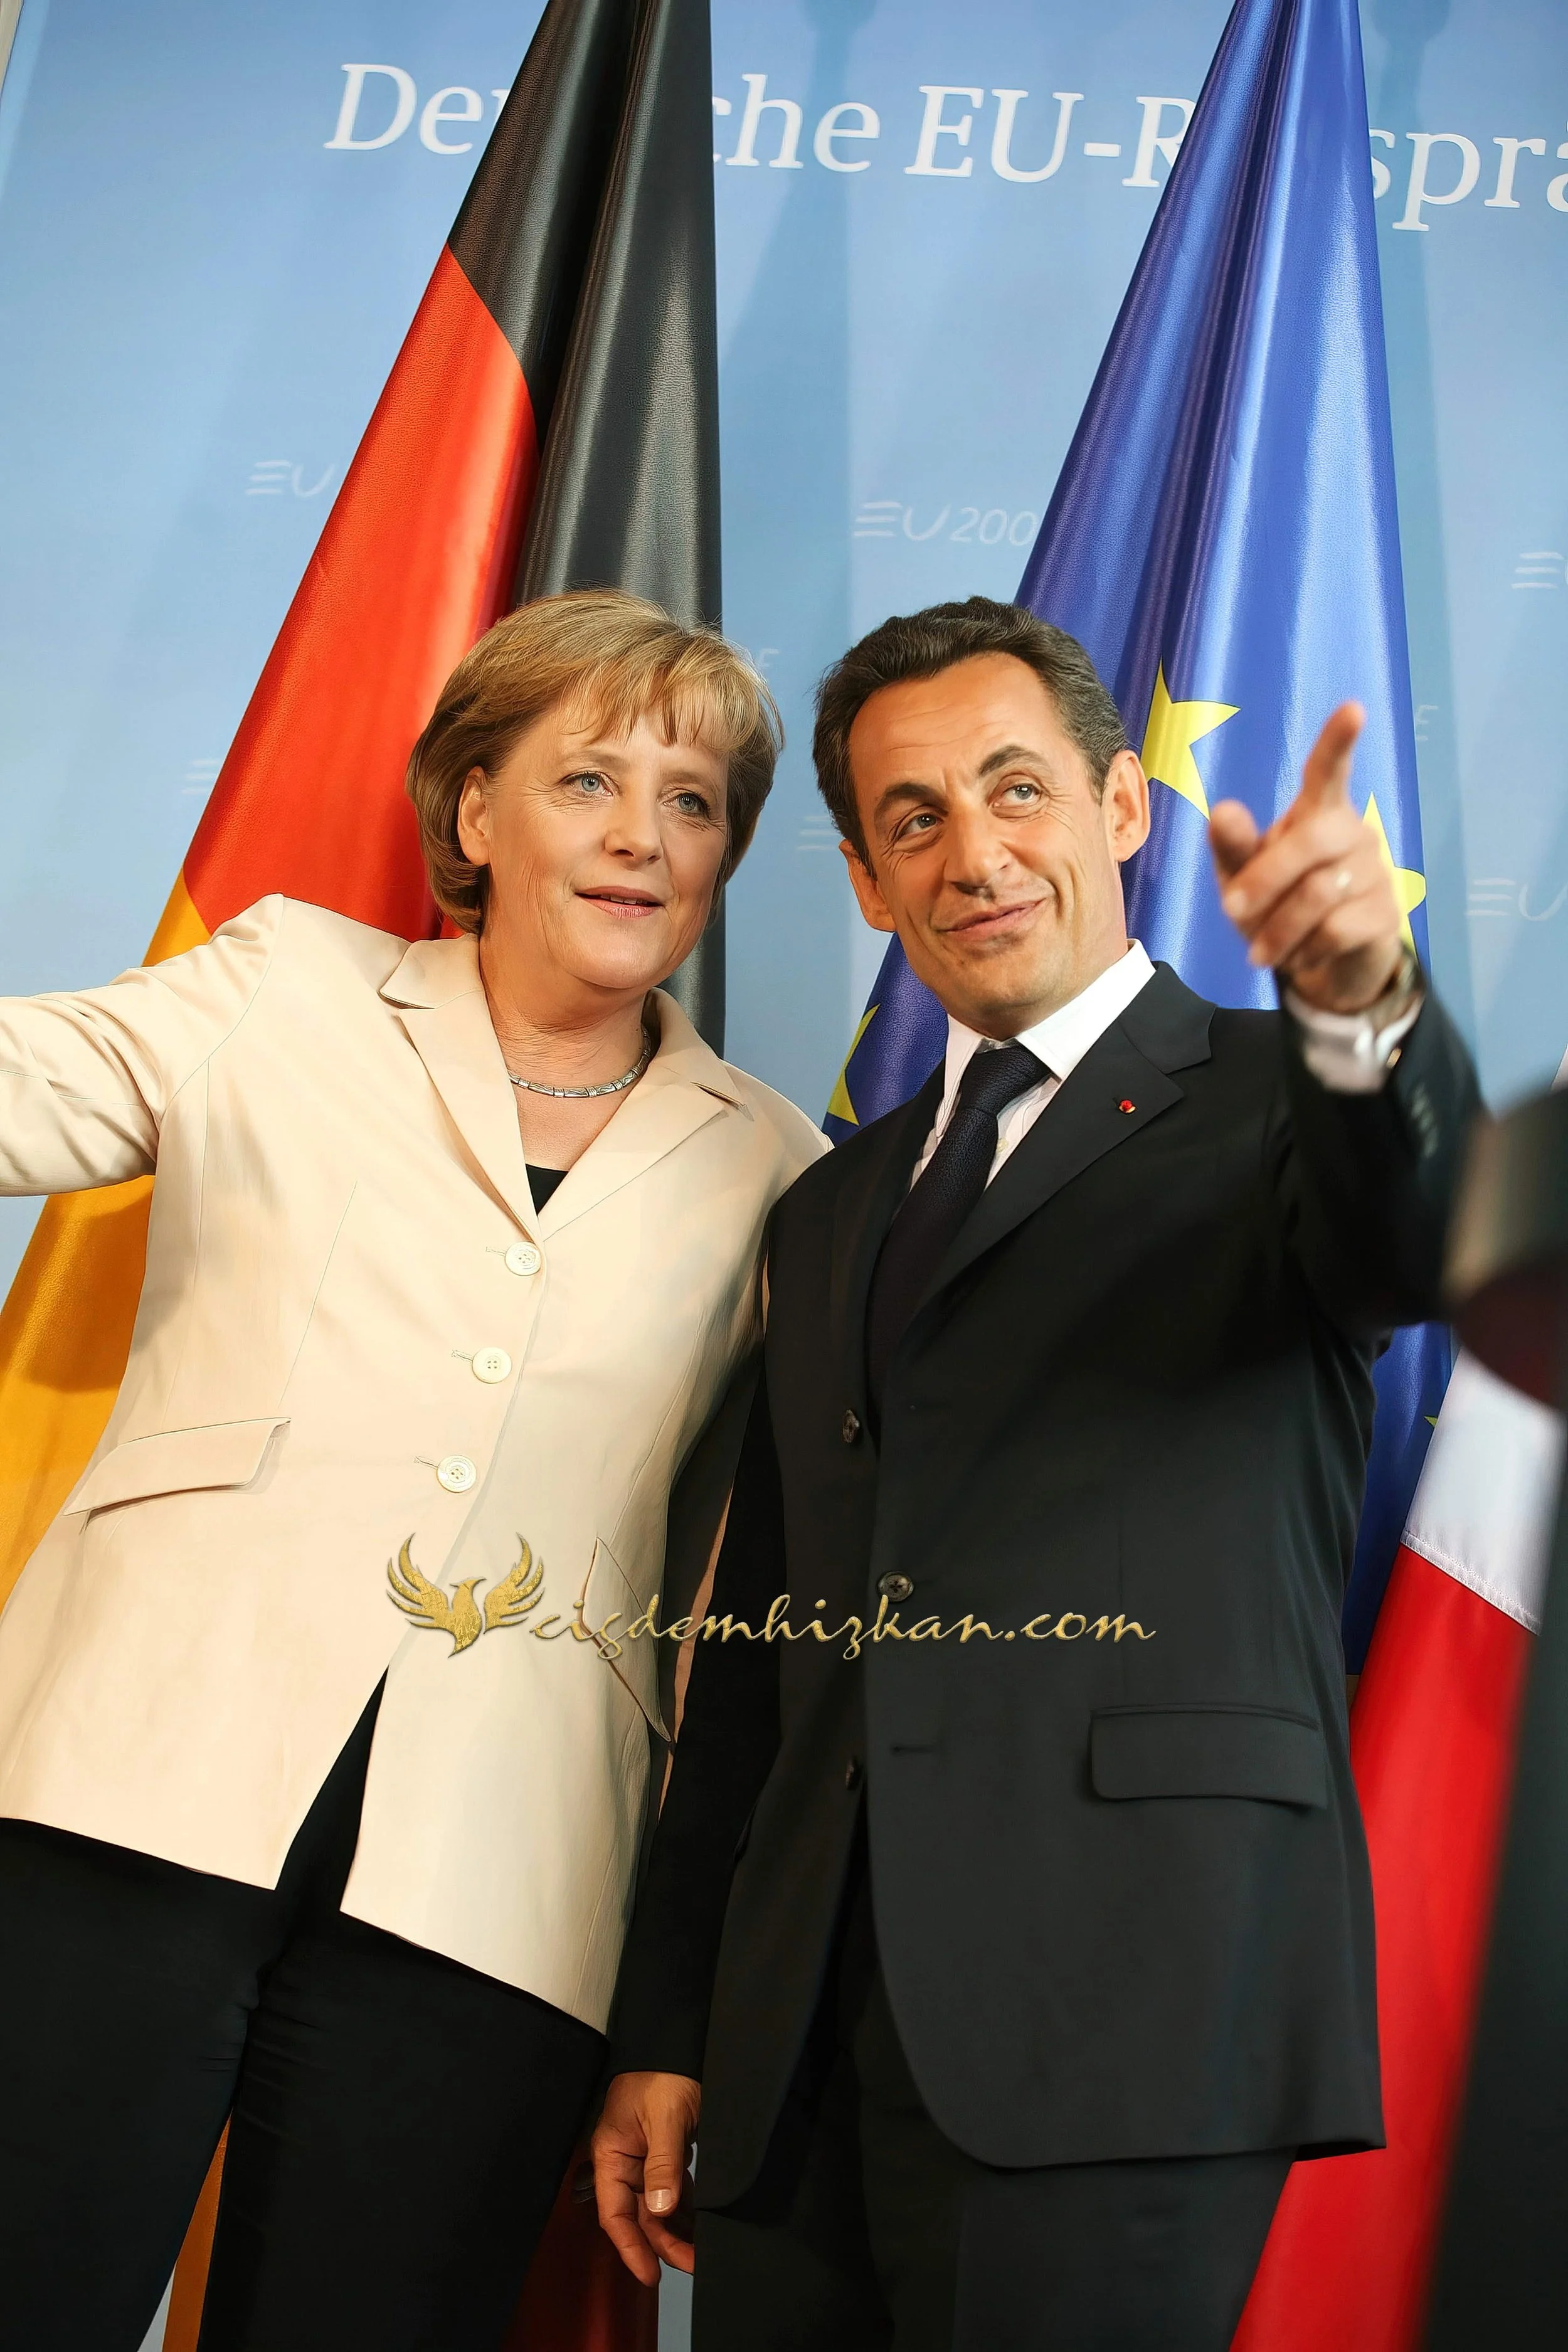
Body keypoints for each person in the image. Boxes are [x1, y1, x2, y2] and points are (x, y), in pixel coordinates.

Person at [594, 597, 1481, 2350]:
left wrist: (1362, 1000)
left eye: (1016, 791)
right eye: (911, 818)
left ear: (1116, 809)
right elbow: (761, 1658)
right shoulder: (828, 1206)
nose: (972, 852)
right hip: (797, 2068)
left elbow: (1411, 1230)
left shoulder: (1269, 1096)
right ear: (863, 880)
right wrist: (672, 2014)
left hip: (1123, 2017)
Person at [0, 588, 824, 2352]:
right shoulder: (285, 982)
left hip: (499, 1885)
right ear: (471, 812)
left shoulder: (777, 1161)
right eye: (585, 778)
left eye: (690, 801)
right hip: (131, 1782)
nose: (637, 836)